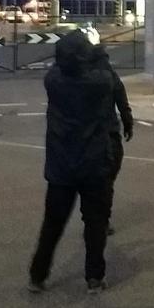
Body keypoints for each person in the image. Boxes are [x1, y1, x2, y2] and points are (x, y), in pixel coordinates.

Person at [29, 30, 115, 294]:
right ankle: (94, 277)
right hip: (94, 165)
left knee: (52, 224)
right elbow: (105, 70)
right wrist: (98, 48)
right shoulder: (99, 83)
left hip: (61, 166)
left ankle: (38, 275)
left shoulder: (53, 80)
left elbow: (62, 65)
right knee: (95, 224)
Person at [91, 45, 133, 235]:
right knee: (108, 180)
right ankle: (102, 219)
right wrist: (128, 124)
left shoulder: (84, 76)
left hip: (89, 136)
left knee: (92, 183)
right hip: (109, 133)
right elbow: (122, 103)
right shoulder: (110, 75)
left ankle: (91, 217)